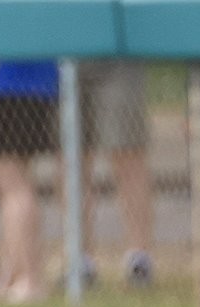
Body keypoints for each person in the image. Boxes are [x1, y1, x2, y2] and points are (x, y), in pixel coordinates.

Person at [0, 60, 60, 304]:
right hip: (35, 88)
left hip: (7, 89)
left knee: (13, 185)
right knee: (13, 183)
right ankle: (11, 274)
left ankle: (30, 279)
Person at [79, 61, 155, 286]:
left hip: (118, 56)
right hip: (67, 55)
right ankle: (81, 258)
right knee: (72, 160)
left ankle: (139, 257)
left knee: (127, 154)